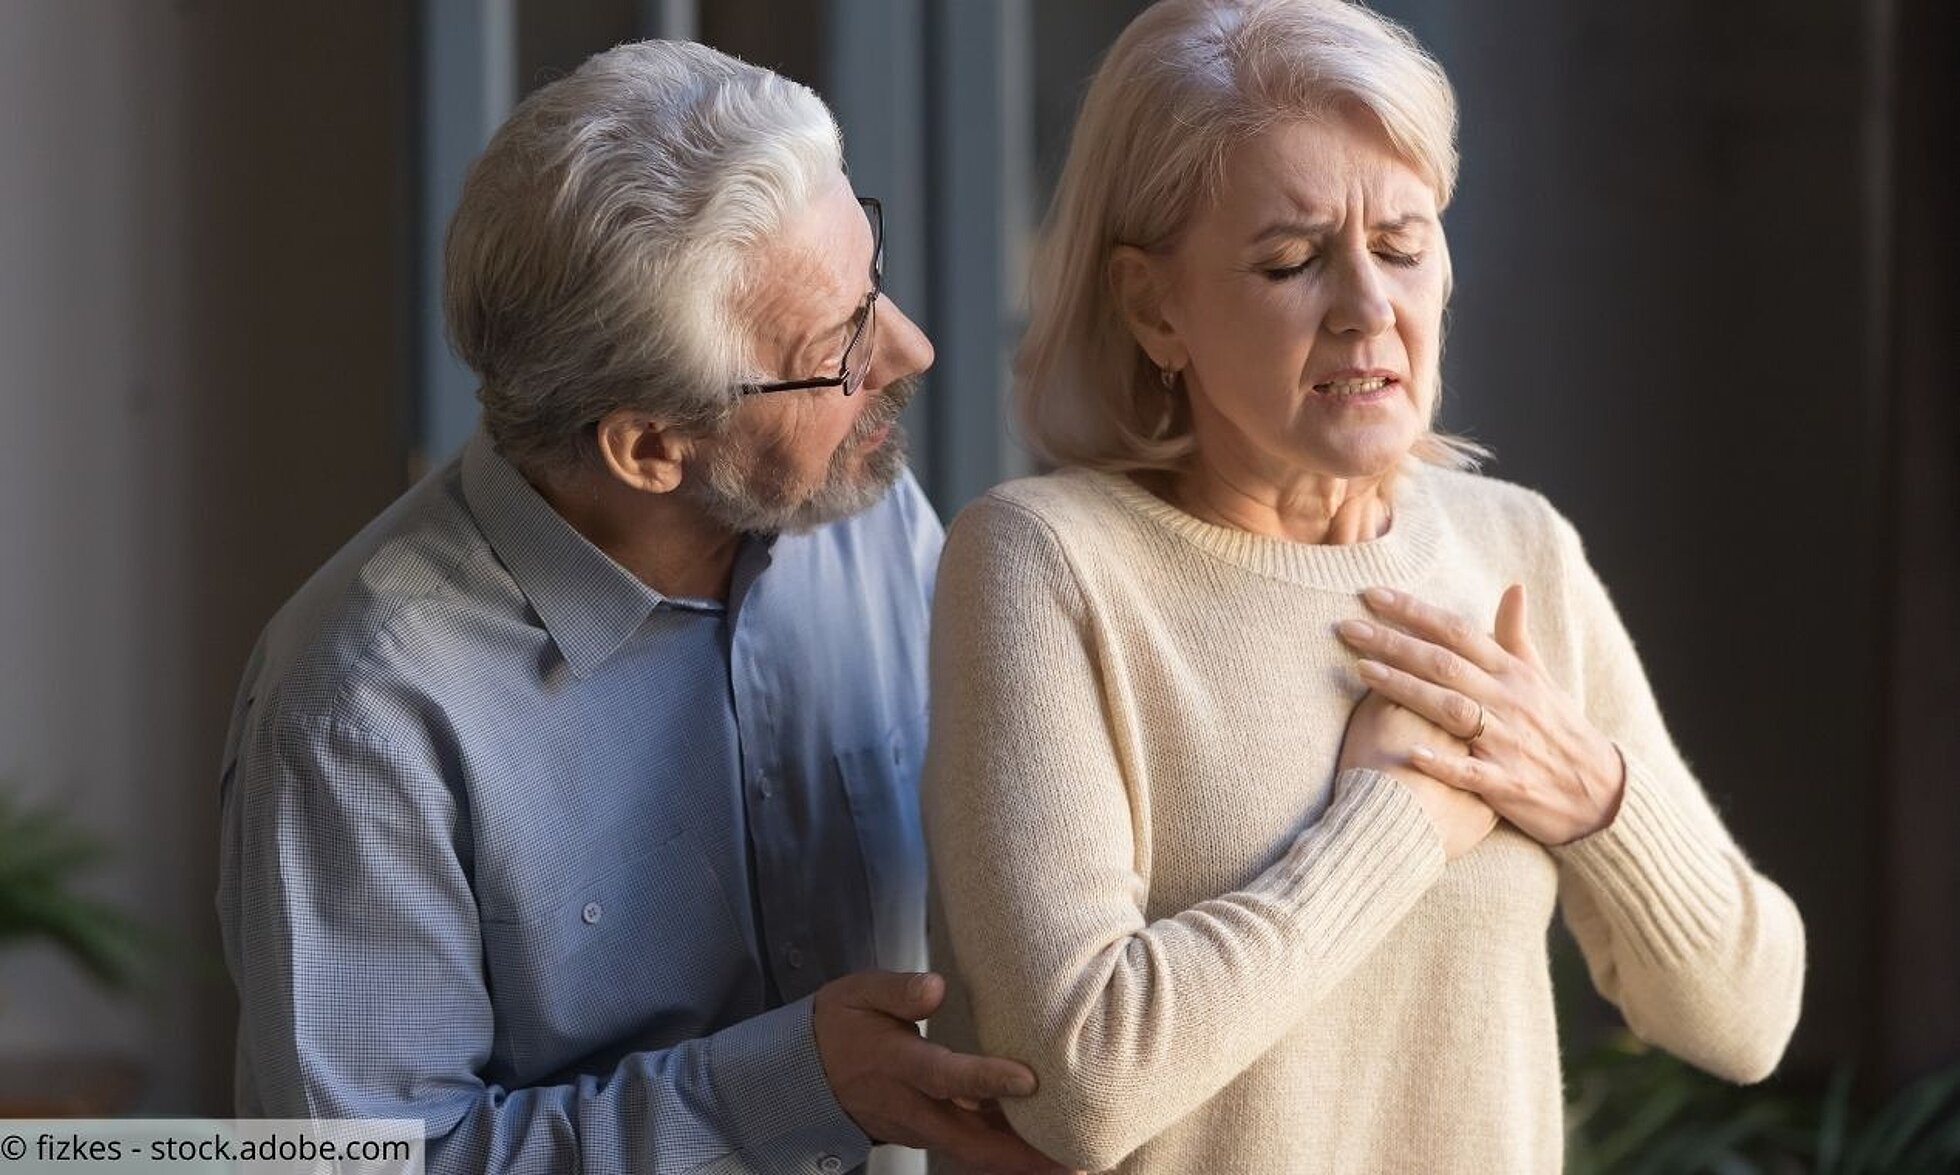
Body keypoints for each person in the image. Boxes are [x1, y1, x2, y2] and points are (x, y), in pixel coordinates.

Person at [921, 1, 1806, 1171]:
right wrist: (1394, 820)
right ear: (1151, 305)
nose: (1367, 307)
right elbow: (1080, 1080)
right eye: (1290, 260)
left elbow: (1745, 1019)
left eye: (1401, 245)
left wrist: (1587, 785)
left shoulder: (1515, 549)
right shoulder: (1042, 562)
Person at [217, 40, 1063, 1175]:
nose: (910, 346)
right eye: (842, 349)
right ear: (652, 446)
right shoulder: (361, 715)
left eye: (872, 281)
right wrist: (795, 1086)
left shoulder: (858, 508)